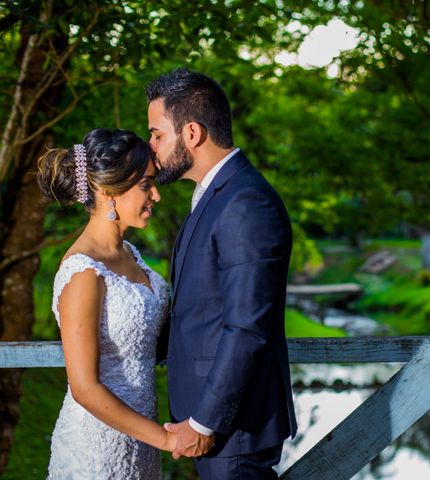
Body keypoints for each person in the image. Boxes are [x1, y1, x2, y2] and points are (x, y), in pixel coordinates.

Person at [147, 68, 297, 479]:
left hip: (232, 429)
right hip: (213, 423)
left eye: (157, 134)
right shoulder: (216, 194)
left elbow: (248, 326)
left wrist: (204, 423)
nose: (151, 146)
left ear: (191, 133)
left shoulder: (245, 202)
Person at [38, 128, 174, 479]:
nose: (156, 195)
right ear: (106, 191)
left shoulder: (131, 253)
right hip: (97, 448)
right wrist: (167, 440)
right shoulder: (83, 271)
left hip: (140, 441)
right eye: (146, 185)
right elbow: (84, 388)